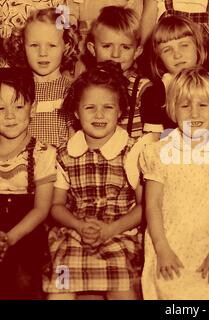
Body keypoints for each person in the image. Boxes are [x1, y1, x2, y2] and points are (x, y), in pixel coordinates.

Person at [141, 67, 209, 299]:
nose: (193, 113)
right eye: (185, 105)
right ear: (172, 110)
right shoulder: (158, 152)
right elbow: (153, 205)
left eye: (203, 105)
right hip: (168, 245)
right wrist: (162, 249)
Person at [43, 62, 143, 300]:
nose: (99, 115)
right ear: (76, 113)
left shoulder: (132, 151)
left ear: (120, 111)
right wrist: (77, 225)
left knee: (121, 283)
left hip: (119, 232)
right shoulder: (66, 154)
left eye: (108, 107)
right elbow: (56, 206)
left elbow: (145, 206)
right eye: (90, 108)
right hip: (76, 233)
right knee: (61, 284)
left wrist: (111, 229)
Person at [0, 67, 55, 299]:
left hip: (25, 230)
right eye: (0, 108)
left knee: (23, 279)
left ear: (32, 108)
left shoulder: (42, 153)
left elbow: (42, 209)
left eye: (18, 106)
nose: (9, 115)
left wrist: (9, 238)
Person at [4, 8, 79, 148]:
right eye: (34, 45)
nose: (42, 53)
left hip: (58, 165)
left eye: (51, 45)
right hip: (25, 164)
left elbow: (75, 139)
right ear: (22, 46)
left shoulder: (73, 90)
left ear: (66, 46)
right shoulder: (17, 91)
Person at [85, 6, 151, 138]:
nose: (115, 54)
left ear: (137, 52)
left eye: (125, 47)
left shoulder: (143, 88)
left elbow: (151, 137)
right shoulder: (85, 86)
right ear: (92, 49)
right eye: (107, 46)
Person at [140, 15, 208, 141]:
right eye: (167, 50)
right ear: (158, 58)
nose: (177, 55)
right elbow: (152, 141)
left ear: (198, 47)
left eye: (184, 45)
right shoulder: (155, 94)